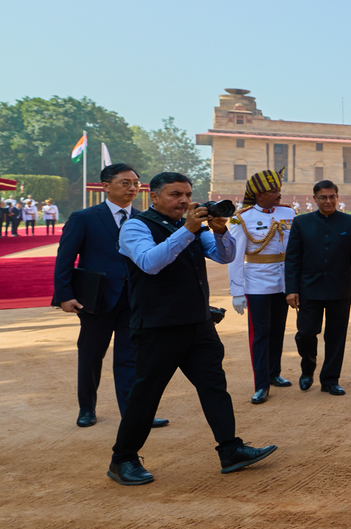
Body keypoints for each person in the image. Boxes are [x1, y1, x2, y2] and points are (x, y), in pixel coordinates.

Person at [108, 172, 276, 485]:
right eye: (175, 195)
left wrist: (220, 232)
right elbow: (149, 263)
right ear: (154, 196)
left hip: (198, 324)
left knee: (214, 386)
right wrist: (188, 229)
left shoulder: (194, 227)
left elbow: (224, 256)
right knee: (146, 394)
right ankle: (122, 459)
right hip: (158, 326)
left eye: (187, 194)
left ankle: (230, 449)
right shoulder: (136, 226)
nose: (184, 201)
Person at [53, 164, 166, 430]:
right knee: (91, 356)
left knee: (131, 359)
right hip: (96, 301)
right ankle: (86, 408)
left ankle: (133, 413)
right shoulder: (84, 218)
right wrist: (64, 295)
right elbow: (65, 259)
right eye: (125, 183)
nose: (133, 188)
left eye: (136, 183)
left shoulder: (145, 219)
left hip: (134, 300)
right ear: (106, 186)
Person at [285, 180, 351, 397]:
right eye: (323, 197)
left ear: (337, 197)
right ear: (314, 199)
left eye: (332, 196)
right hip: (308, 289)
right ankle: (308, 367)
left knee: (336, 336)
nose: (328, 200)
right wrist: (291, 289)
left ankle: (330, 379)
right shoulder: (301, 223)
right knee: (305, 333)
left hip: (339, 289)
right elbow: (293, 258)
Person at [228, 169, 295, 404]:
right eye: (272, 191)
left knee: (278, 329)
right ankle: (261, 384)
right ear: (258, 195)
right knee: (260, 334)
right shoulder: (241, 218)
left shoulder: (289, 212)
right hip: (256, 282)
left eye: (278, 189)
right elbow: (235, 257)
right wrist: (237, 291)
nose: (278, 194)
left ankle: (274, 373)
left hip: (283, 280)